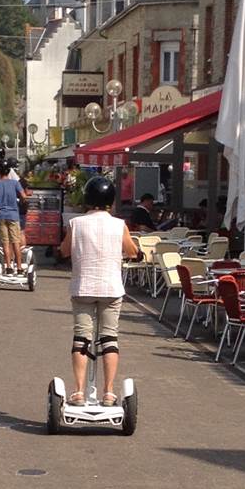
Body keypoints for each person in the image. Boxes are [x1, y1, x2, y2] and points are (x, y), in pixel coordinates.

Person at [57, 174, 137, 407]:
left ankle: (80, 391)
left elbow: (63, 251)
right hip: (111, 288)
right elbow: (132, 251)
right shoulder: (118, 225)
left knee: (82, 338)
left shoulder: (76, 224)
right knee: (109, 338)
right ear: (111, 200)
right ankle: (109, 392)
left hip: (83, 287)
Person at [0, 160, 27, 274]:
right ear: (9, 171)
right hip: (14, 215)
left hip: (1, 215)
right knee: (16, 241)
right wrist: (20, 201)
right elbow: (24, 196)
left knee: (5, 242)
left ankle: (8, 266)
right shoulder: (15, 183)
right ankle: (19, 267)